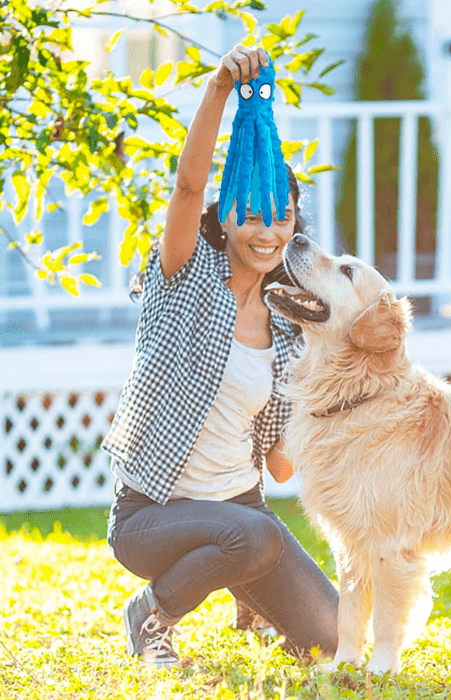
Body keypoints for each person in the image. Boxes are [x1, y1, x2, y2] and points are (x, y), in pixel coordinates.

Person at [103, 44, 339, 667]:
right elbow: (186, 186)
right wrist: (218, 91)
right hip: (152, 515)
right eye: (254, 216)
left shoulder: (290, 328)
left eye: (282, 218)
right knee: (255, 534)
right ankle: (152, 613)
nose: (268, 232)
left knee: (333, 637)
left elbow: (283, 468)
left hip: (242, 510)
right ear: (227, 217)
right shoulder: (185, 278)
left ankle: (249, 590)